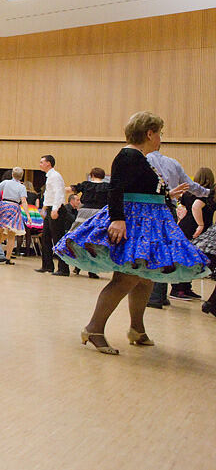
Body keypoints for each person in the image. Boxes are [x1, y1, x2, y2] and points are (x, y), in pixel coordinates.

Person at [53, 111, 210, 354]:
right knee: (126, 278)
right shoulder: (128, 155)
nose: (160, 139)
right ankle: (94, 328)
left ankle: (137, 328)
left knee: (144, 276)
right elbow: (116, 188)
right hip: (134, 221)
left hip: (147, 220)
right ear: (149, 133)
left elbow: (141, 188)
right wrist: (117, 219)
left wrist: (168, 195)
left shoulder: (139, 157)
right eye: (158, 133)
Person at [144, 151, 210, 308]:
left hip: (153, 209)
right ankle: (160, 295)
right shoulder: (172, 162)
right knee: (165, 251)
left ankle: (155, 297)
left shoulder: (144, 160)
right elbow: (191, 186)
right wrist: (209, 193)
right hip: (169, 209)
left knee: (155, 252)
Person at [167, 168, 216, 300]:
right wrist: (200, 224)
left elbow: (181, 206)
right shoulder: (206, 194)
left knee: (186, 257)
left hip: (185, 226)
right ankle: (178, 289)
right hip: (195, 228)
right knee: (188, 258)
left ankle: (184, 287)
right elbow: (196, 206)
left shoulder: (190, 192)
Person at [68, 167, 108, 278]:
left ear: (92, 175)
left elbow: (71, 189)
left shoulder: (86, 185)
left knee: (78, 238)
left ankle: (78, 265)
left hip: (84, 214)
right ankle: (93, 270)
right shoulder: (107, 187)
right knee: (95, 242)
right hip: (99, 215)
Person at [36, 154, 68, 276]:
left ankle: (64, 268)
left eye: (41, 162)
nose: (40, 164)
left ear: (48, 163)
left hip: (57, 209)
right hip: (50, 209)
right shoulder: (49, 176)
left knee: (58, 239)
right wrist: (44, 209)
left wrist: (55, 209)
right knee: (45, 238)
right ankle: (47, 265)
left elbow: (59, 193)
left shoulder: (55, 176)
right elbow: (49, 194)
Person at [0, 167, 29, 264]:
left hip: (4, 205)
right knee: (12, 235)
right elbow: (24, 201)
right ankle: (8, 258)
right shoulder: (22, 187)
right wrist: (28, 215)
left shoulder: (6, 182)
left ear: (12, 174)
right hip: (14, 207)